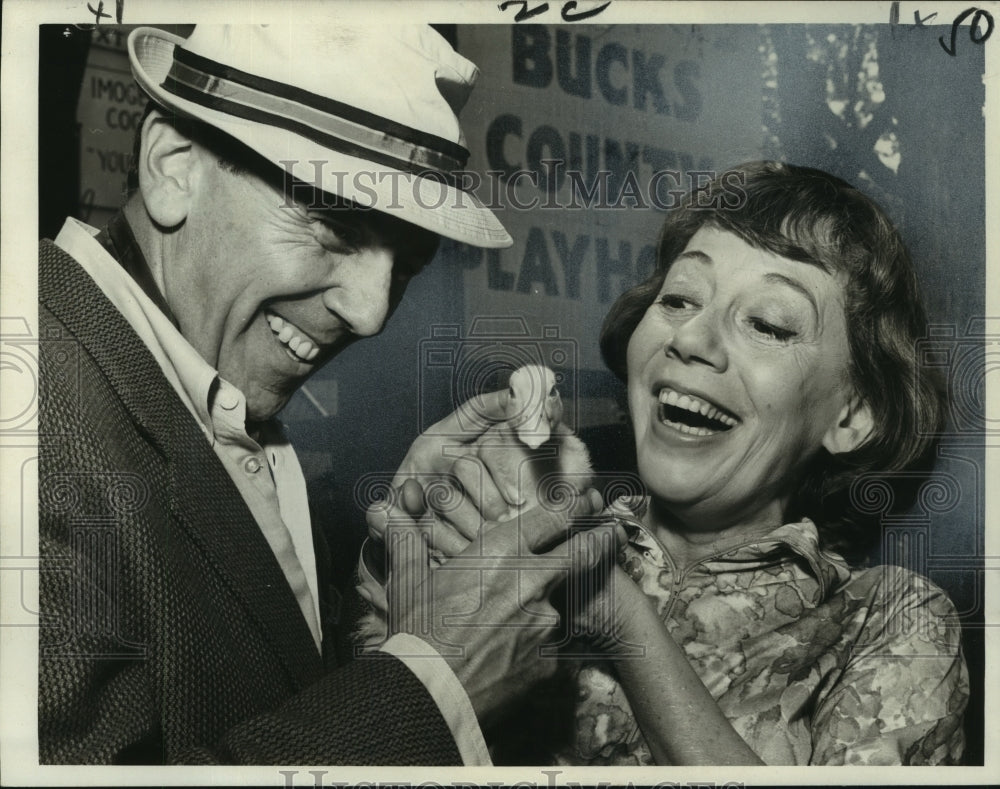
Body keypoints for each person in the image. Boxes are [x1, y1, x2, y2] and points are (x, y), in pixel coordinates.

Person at [38, 23, 607, 765]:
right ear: (174, 165)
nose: (371, 313)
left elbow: (243, 692)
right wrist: (434, 681)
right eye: (334, 223)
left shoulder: (201, 388)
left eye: (405, 264)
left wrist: (399, 585)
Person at [384, 162, 969, 765]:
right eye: (680, 298)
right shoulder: (524, 541)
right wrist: (405, 544)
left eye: (767, 324)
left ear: (850, 417)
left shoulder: (888, 619)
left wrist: (612, 608)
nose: (690, 338)